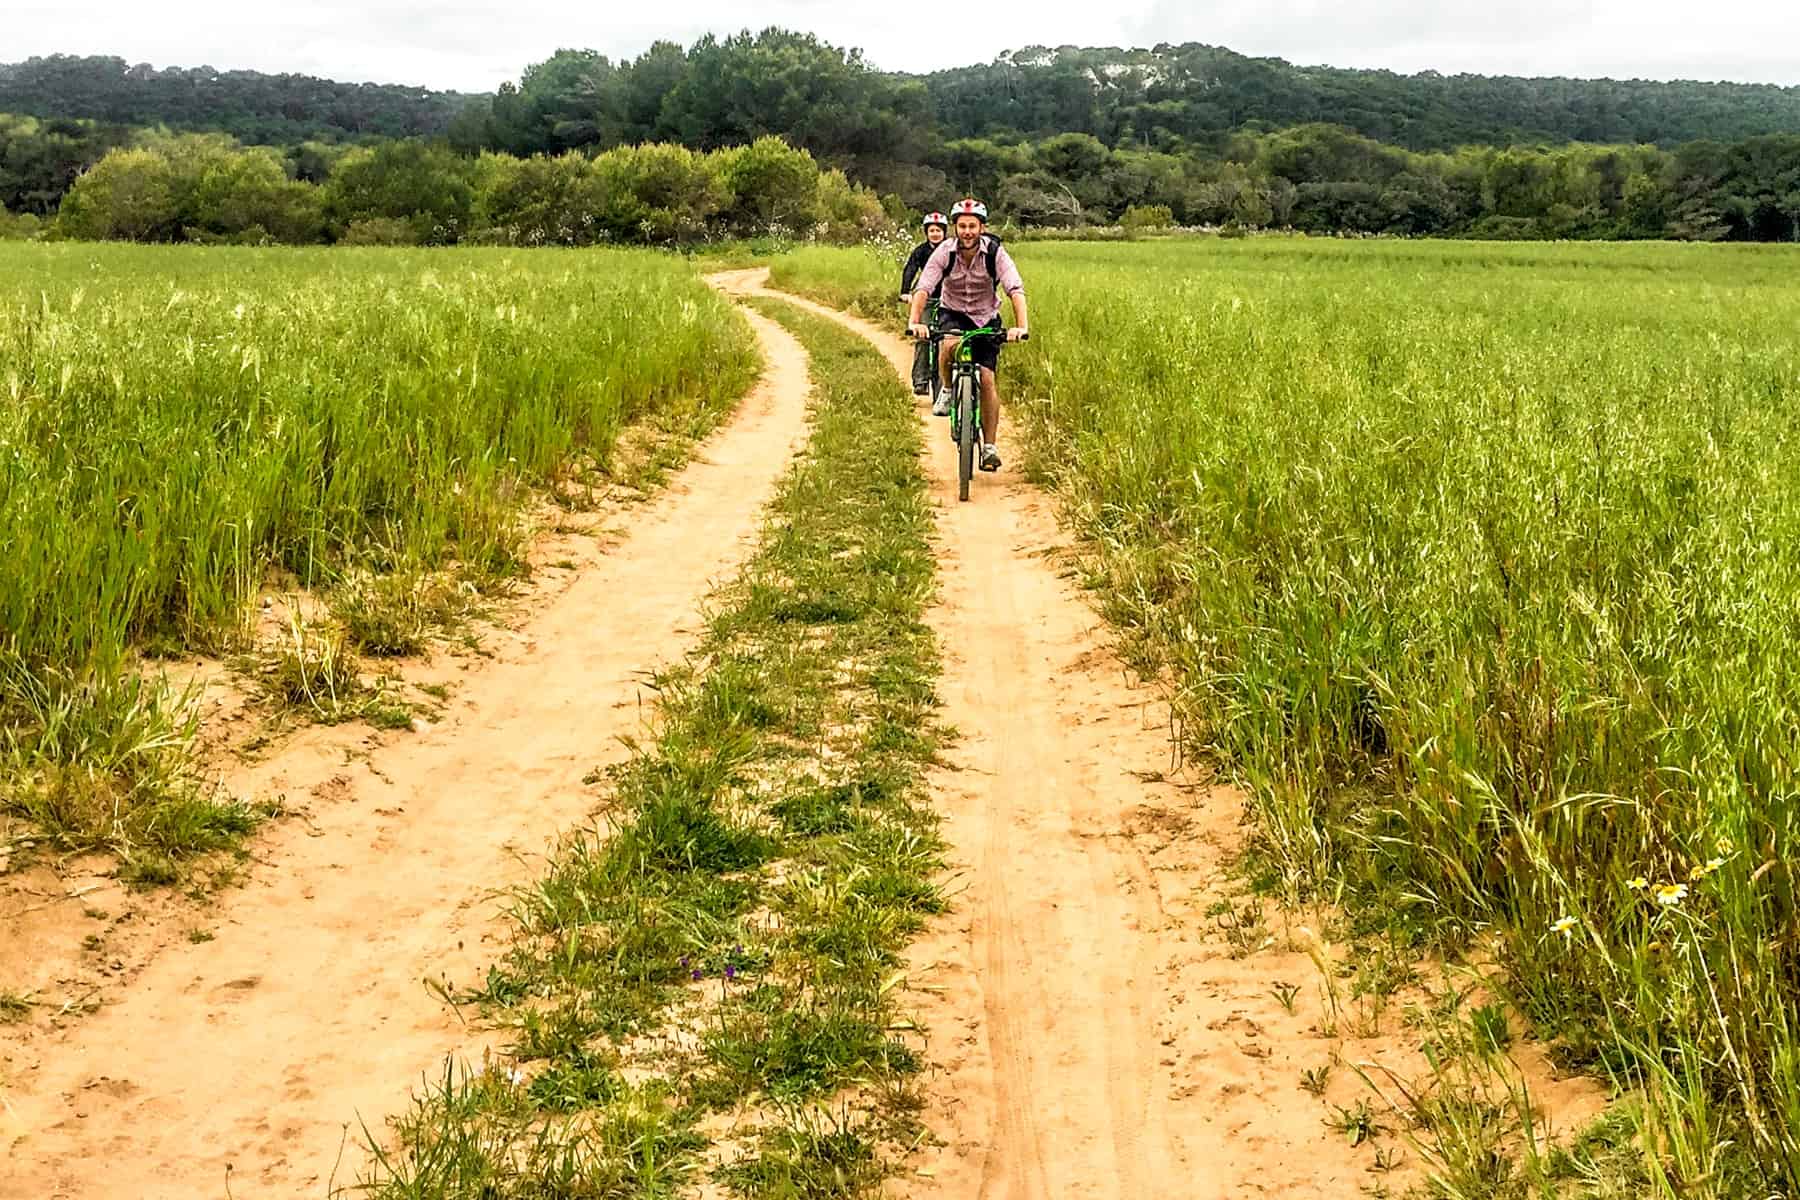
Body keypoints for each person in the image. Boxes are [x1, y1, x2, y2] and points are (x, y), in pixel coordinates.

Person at [908, 198, 1029, 472]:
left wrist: (1021, 327)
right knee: (947, 345)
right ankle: (948, 390)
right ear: (955, 228)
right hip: (953, 312)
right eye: (962, 226)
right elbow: (924, 288)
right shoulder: (944, 252)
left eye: (973, 226)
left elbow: (1015, 289)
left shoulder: (996, 252)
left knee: (987, 379)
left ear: (982, 227)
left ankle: (989, 447)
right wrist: (915, 322)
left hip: (986, 317)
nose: (967, 232)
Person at [900, 212, 949, 397]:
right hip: (926, 299)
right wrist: (905, 292)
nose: (935, 234)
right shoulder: (921, 251)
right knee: (923, 337)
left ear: (945, 232)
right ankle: (920, 380)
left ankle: (946, 385)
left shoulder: (951, 249)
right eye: (932, 230)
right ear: (926, 232)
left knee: (947, 340)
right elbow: (910, 269)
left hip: (948, 300)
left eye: (938, 230)